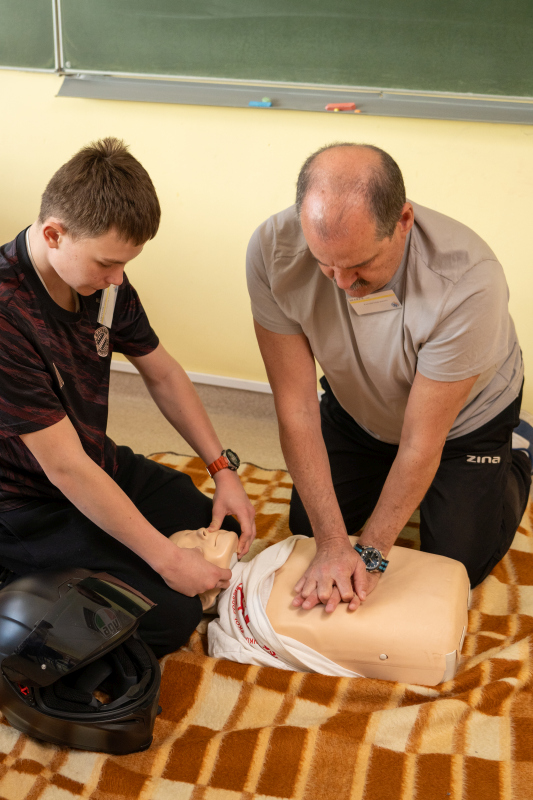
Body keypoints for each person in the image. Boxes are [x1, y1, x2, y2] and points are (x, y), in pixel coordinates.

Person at [246, 142, 531, 617]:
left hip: (463, 424)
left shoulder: (468, 280)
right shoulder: (270, 250)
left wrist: (372, 551)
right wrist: (333, 543)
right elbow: (295, 408)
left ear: (403, 221)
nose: (341, 283)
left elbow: (422, 440)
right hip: (358, 411)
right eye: (325, 263)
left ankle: (516, 459)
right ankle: (384, 476)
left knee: (457, 563)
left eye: (359, 266)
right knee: (308, 532)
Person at [0, 137, 255, 657]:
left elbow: (163, 374)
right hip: (24, 505)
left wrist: (222, 469)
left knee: (220, 526)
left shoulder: (105, 286)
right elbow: (66, 469)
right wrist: (167, 560)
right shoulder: (7, 315)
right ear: (53, 234)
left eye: (125, 264)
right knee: (171, 615)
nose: (118, 278)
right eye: (107, 263)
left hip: (93, 460)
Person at [171, 527, 470, 685]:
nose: (201, 531)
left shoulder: (280, 551)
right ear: (204, 598)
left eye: (194, 530)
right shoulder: (234, 627)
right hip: (430, 641)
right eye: (191, 547)